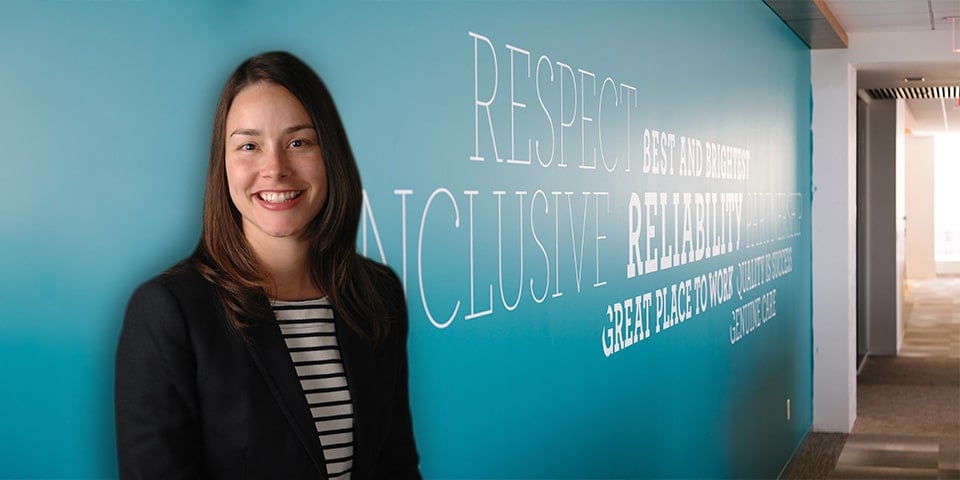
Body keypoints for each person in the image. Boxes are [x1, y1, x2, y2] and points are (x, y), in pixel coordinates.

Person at [115, 51, 421, 479]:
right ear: (222, 165)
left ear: (330, 154)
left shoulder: (376, 294)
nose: (275, 169)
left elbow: (395, 467)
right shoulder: (168, 312)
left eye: (298, 142)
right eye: (249, 146)